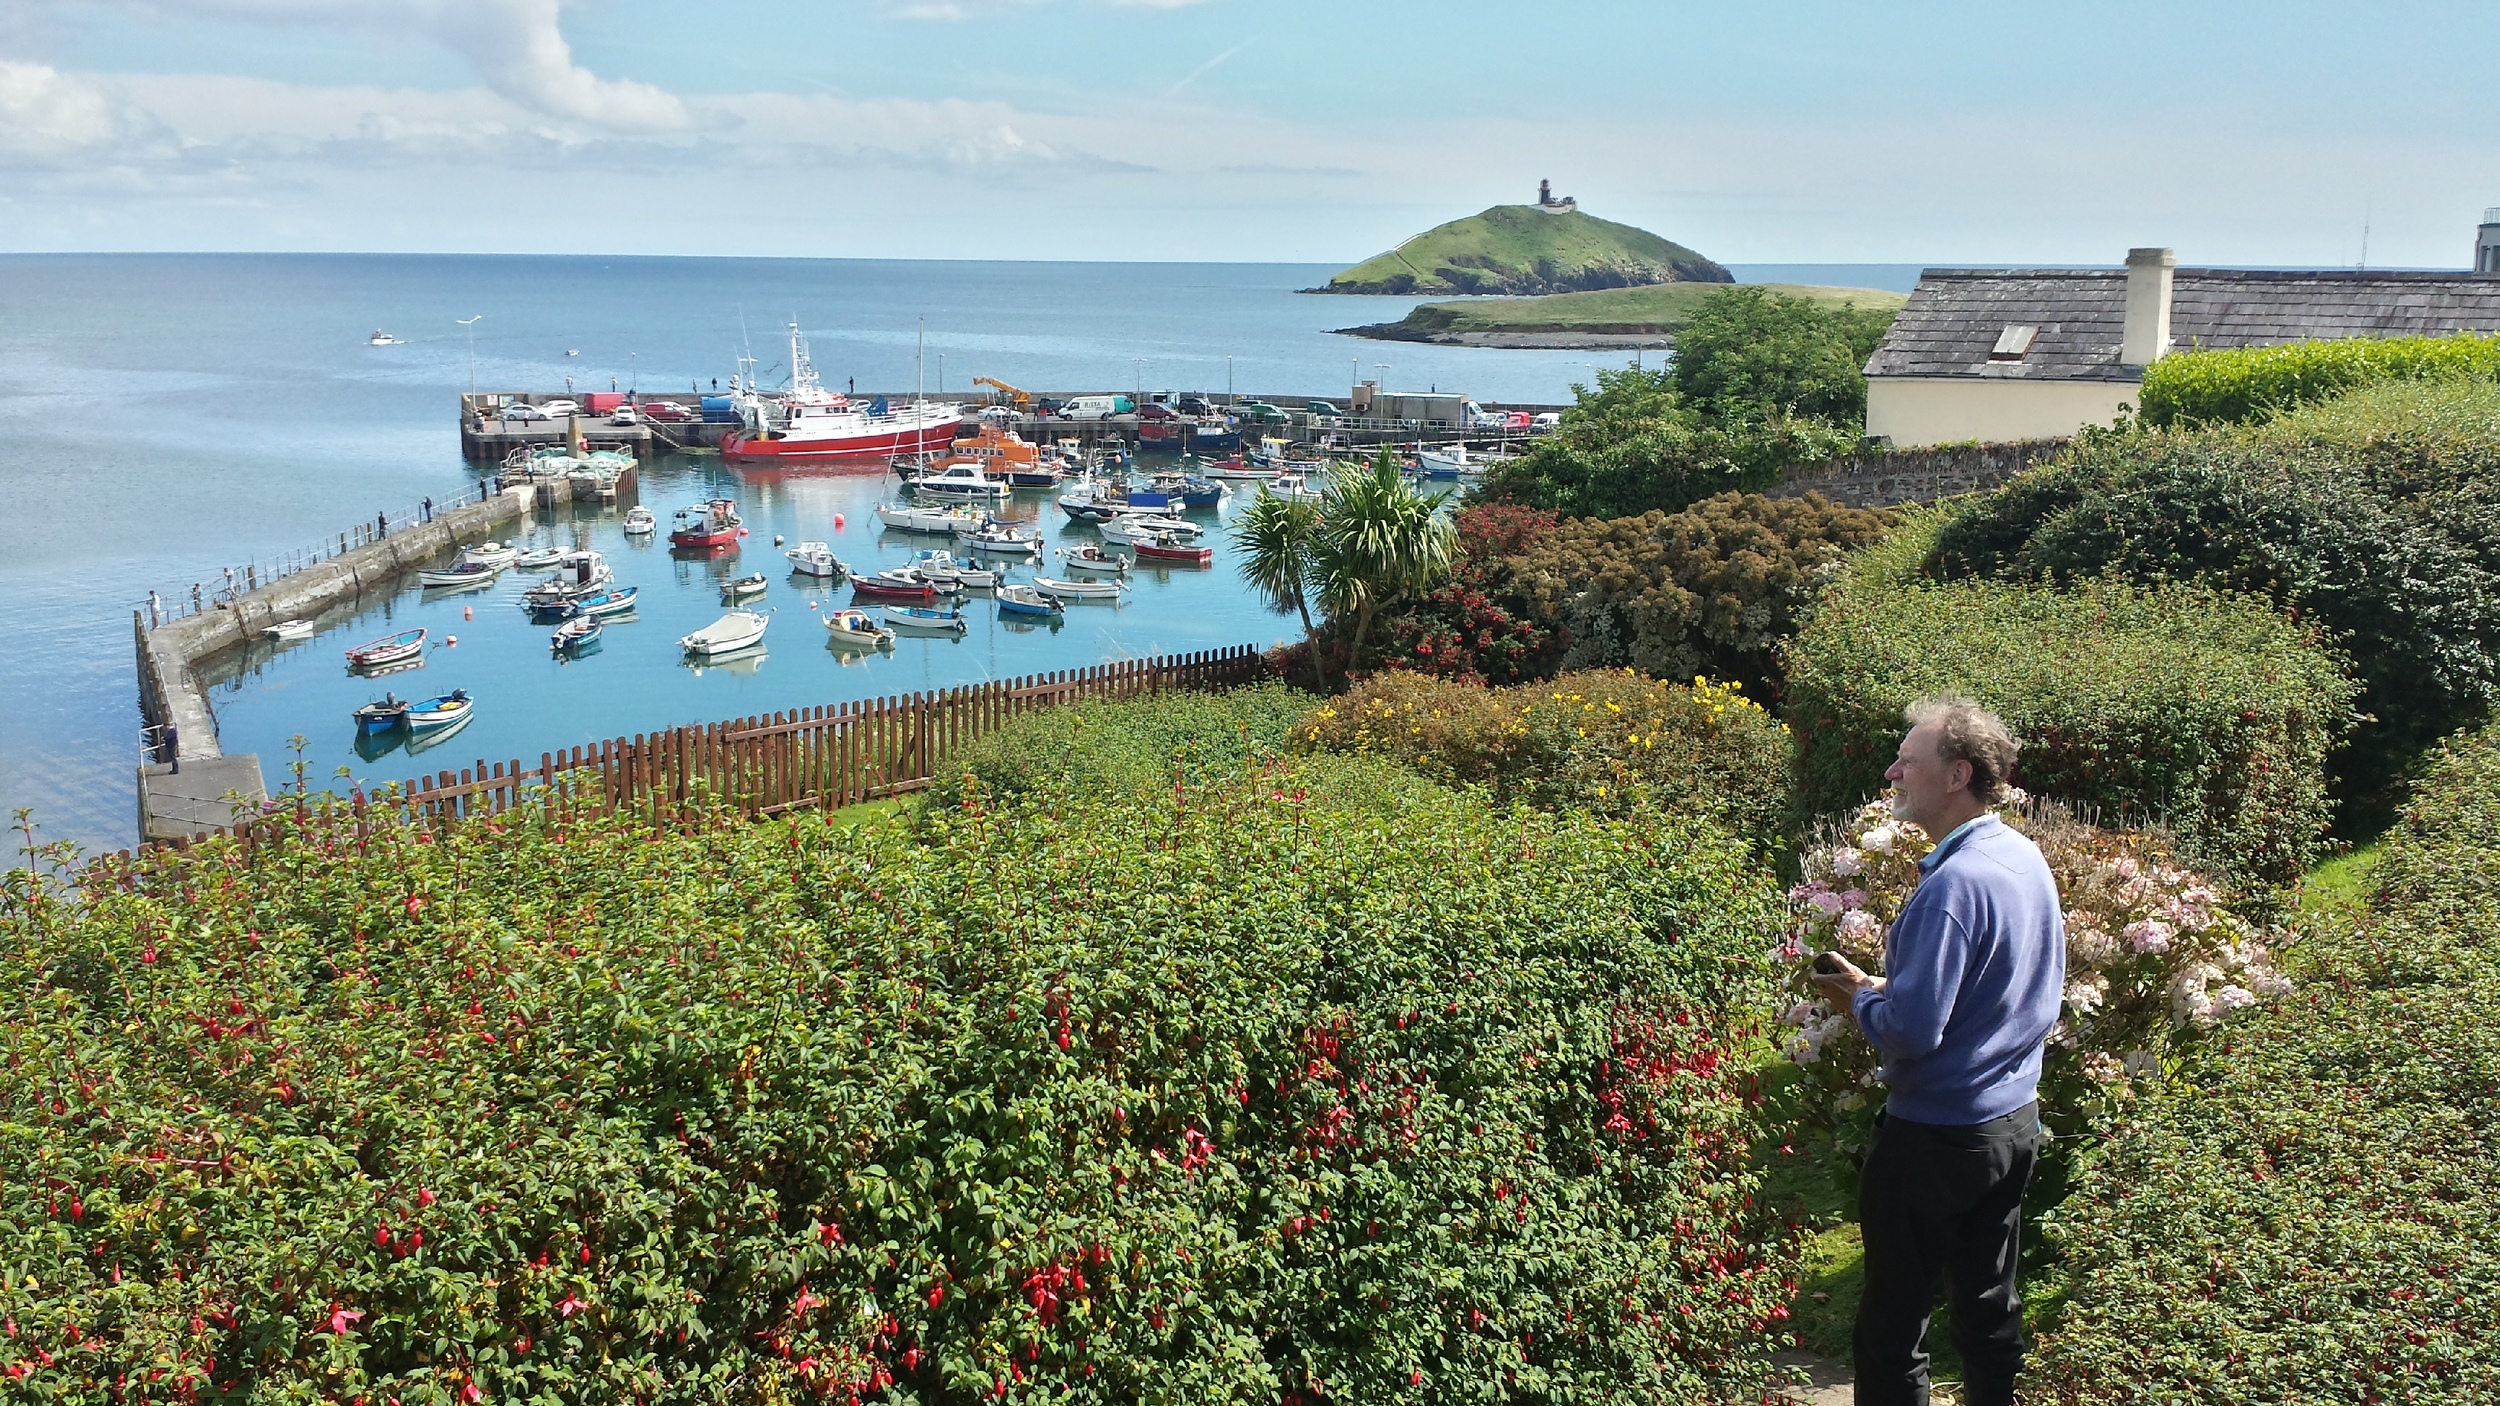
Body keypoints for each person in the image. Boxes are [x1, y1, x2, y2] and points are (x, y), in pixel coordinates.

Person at [1811, 695, 2062, 1406]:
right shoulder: (2018, 855)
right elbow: (2006, 982)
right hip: (2011, 1125)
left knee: (1894, 1327)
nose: (1892, 771)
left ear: (1956, 776)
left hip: (1935, 1139)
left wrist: (1860, 999)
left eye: (1908, 762)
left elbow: (1914, 1032)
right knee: (1989, 1307)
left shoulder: (1951, 884)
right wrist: (1887, 985)